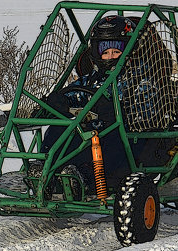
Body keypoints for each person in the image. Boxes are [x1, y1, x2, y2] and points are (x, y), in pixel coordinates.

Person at [34, 15, 162, 194]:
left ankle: (83, 179)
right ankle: (45, 171)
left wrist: (116, 111)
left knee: (107, 137)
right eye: (105, 52)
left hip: (126, 143)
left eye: (116, 52)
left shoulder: (141, 81)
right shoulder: (91, 80)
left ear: (129, 52)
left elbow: (147, 115)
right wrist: (60, 101)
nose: (110, 56)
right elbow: (75, 93)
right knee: (59, 129)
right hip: (90, 135)